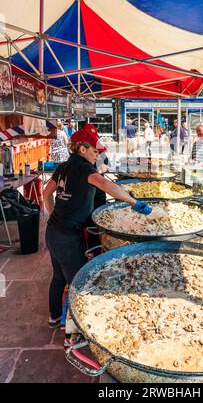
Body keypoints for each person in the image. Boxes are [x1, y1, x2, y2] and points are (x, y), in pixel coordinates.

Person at [44, 124, 152, 338]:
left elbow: (46, 193)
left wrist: (55, 216)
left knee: (58, 277)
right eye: (95, 151)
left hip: (53, 231)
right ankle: (73, 335)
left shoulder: (63, 166)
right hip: (67, 236)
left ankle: (54, 318)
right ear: (82, 149)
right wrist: (133, 202)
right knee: (78, 283)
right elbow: (105, 184)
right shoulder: (85, 169)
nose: (97, 155)